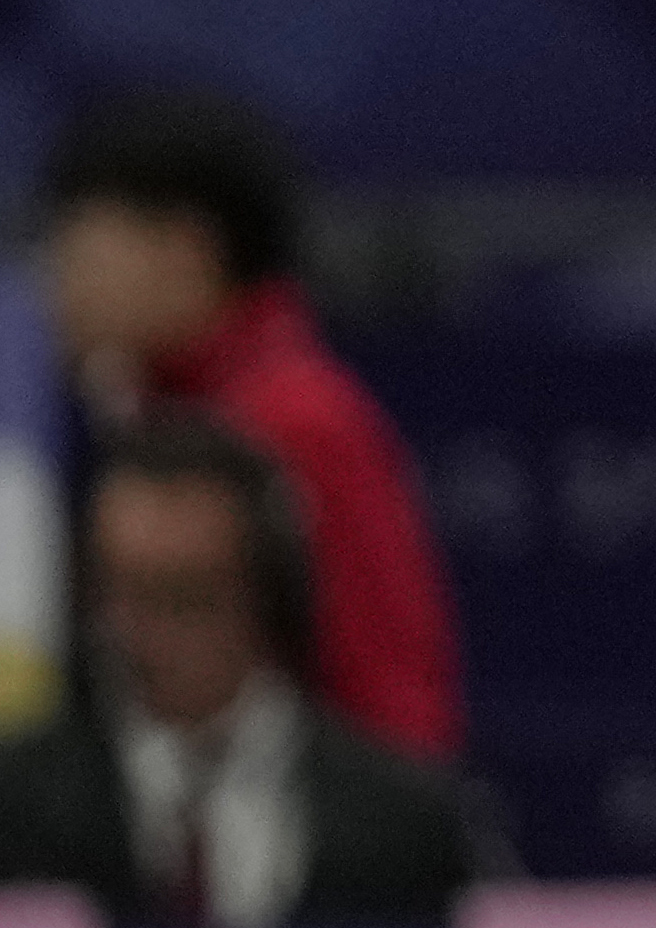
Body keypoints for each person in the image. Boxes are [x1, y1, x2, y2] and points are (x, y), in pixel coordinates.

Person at [35, 96, 461, 764]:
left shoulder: (300, 421)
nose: (56, 281)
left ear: (184, 248)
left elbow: (391, 696)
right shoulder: (141, 410)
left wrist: (381, 851)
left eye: (77, 245)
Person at [0, 415, 484, 928]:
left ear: (268, 596)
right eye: (125, 595)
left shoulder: (402, 822)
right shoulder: (15, 809)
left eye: (188, 597)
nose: (145, 635)